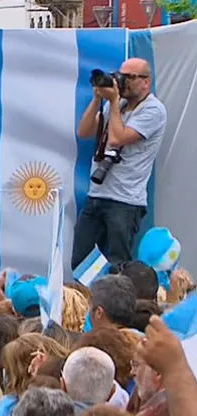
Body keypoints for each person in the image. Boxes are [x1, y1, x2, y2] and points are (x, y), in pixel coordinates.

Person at [72, 57, 167, 268]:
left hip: (125, 201)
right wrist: (98, 99)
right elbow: (84, 131)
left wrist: (113, 101)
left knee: (117, 264)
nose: (123, 82)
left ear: (146, 82)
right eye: (121, 76)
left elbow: (117, 138)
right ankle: (84, 300)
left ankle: (114, 301)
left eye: (130, 77)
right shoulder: (118, 106)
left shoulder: (153, 110)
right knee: (79, 261)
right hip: (97, 194)